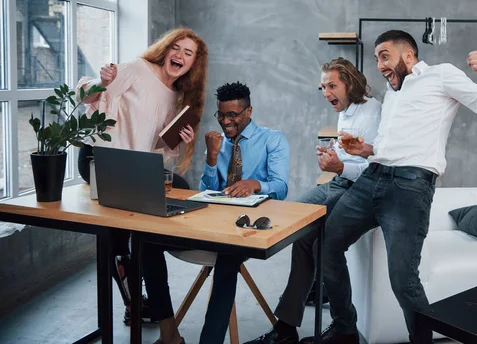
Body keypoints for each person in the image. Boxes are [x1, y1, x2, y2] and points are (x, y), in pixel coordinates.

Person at [303, 30, 477, 344]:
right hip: (372, 178)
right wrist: (367, 150)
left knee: (403, 279)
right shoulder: (393, 93)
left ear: (408, 54)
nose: (379, 65)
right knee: (327, 245)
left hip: (409, 189)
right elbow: (393, 147)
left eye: (384, 55)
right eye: (377, 58)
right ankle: (345, 329)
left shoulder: (441, 75)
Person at [75, 27, 208, 325]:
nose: (180, 55)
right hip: (101, 158)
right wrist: (101, 82)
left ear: (193, 64)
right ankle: (135, 297)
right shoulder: (137, 69)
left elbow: (153, 143)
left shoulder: (176, 96)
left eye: (188, 53)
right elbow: (84, 96)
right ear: (165, 48)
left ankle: (139, 285)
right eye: (176, 47)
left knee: (182, 189)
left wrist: (176, 139)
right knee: (130, 228)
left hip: (134, 163)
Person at [142, 82, 290, 344]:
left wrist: (255, 184)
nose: (225, 121)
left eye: (232, 115)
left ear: (248, 111)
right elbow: (205, 192)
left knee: (227, 259)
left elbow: (280, 187)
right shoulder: (217, 142)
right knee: (147, 243)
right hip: (210, 223)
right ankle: (169, 334)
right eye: (221, 115)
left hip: (245, 227)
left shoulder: (272, 139)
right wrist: (211, 159)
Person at [246, 58, 381, 344]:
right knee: (297, 223)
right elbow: (348, 153)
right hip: (339, 181)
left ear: (350, 83)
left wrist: (340, 166)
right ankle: (288, 325)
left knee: (318, 243)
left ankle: (318, 325)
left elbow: (372, 169)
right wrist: (332, 154)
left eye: (332, 85)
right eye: (322, 87)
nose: (326, 93)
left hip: (356, 187)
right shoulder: (347, 110)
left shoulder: (372, 111)